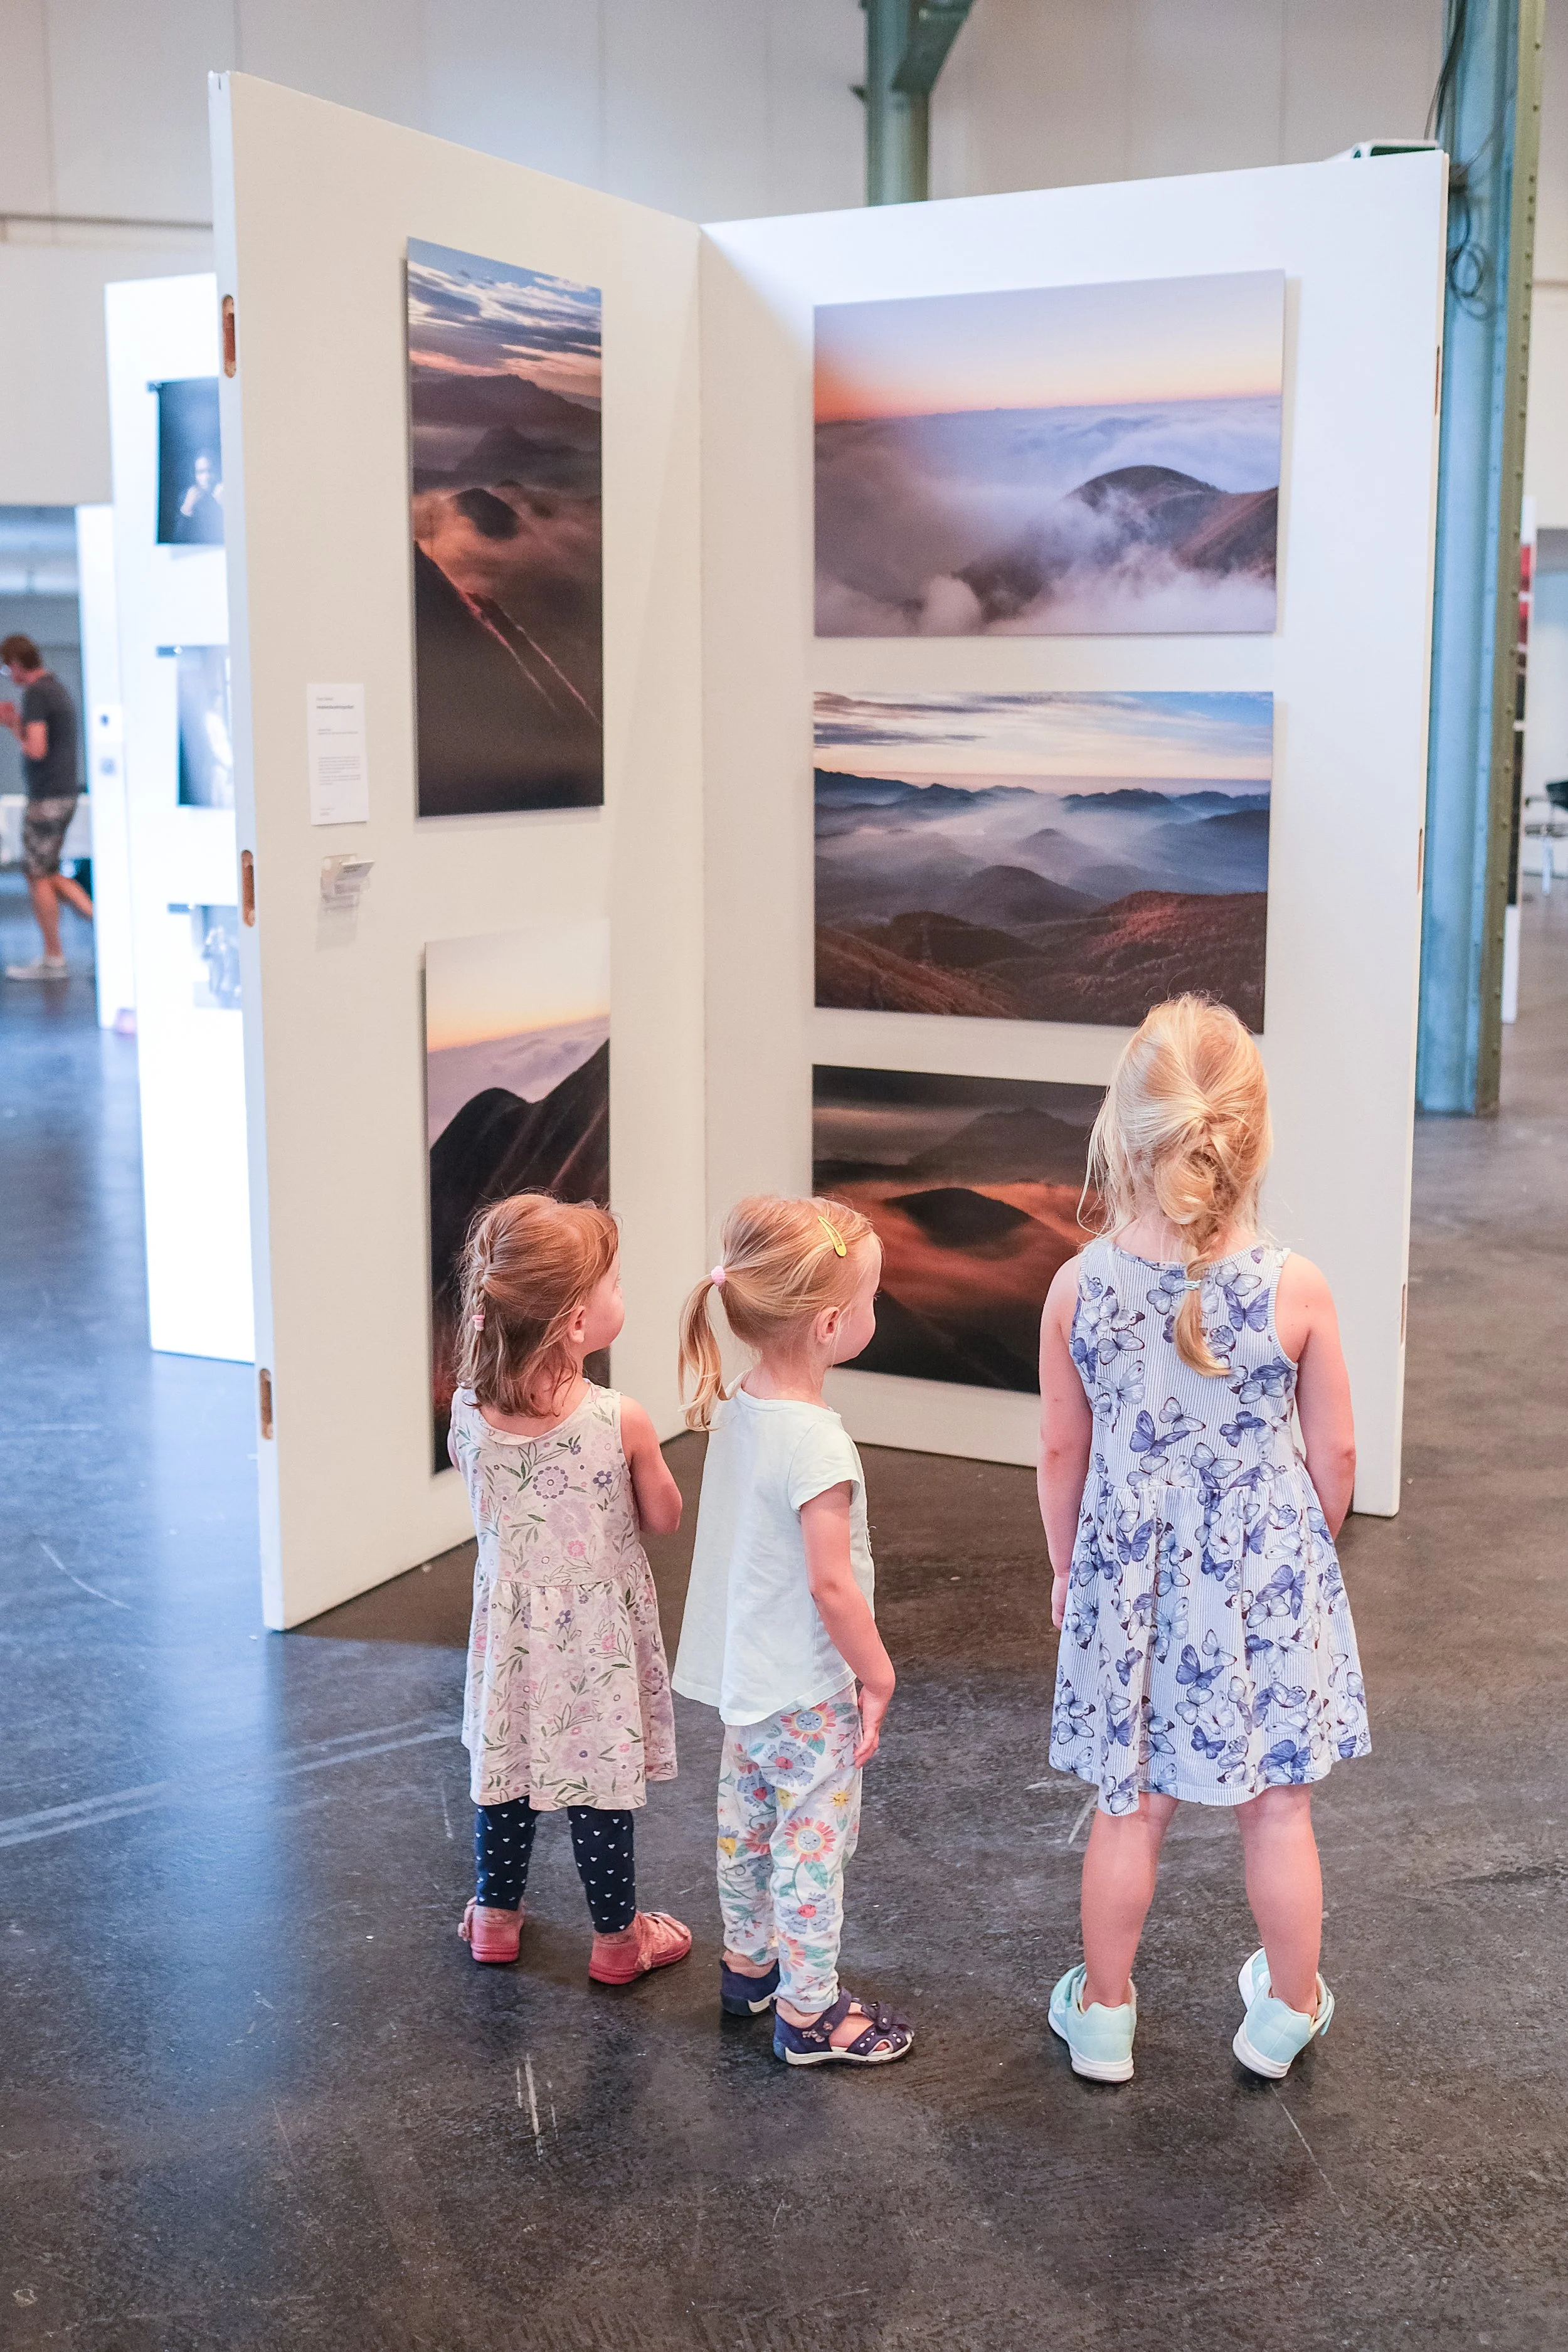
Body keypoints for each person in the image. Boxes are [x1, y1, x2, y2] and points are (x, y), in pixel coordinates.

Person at [1039, 996, 1367, 2086]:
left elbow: (1060, 1457)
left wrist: (1066, 1574)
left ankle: (1103, 2015)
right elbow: (1340, 1460)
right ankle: (1284, 2013)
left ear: (1124, 1136)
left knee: (1128, 1805)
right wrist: (1298, 1562)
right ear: (1251, 1138)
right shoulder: (1299, 1289)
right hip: (1268, 1580)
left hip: (1131, 1578)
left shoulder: (1077, 1288)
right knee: (1279, 1804)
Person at [674, 1195, 913, 2068]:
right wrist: (876, 1672)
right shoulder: (820, 1445)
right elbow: (831, 1584)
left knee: (746, 1823)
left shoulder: (738, 1404)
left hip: (748, 1676)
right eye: (873, 1298)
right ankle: (810, 2013)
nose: (875, 1312)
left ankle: (748, 1967)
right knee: (811, 1846)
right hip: (809, 1686)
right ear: (830, 1325)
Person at [448, 1192, 692, 1986]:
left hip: (511, 1632)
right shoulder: (619, 1419)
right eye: (615, 1284)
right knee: (600, 1787)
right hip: (595, 1643)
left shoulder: (467, 1412)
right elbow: (662, 1517)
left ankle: (494, 1920)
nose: (624, 1293)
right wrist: (649, 1463)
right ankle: (618, 1942)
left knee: (508, 1772)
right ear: (576, 1325)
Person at [0, 634, 92, 983]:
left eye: (7, 668)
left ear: (17, 663)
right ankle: (96, 919)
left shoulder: (38, 694)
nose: (9, 675)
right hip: (61, 792)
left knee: (37, 874)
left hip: (47, 797)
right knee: (44, 870)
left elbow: (36, 749)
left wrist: (12, 727)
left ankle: (54, 957)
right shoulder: (55, 688)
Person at [174, 450, 224, 544]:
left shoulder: (227, 494)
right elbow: (176, 540)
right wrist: (187, 508)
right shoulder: (185, 497)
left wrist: (225, 506)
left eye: (210, 471)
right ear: (194, 474)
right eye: (201, 472)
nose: (206, 477)